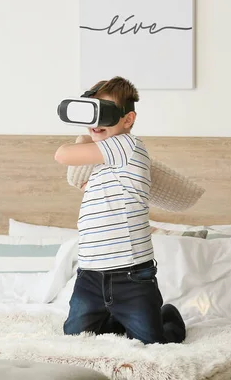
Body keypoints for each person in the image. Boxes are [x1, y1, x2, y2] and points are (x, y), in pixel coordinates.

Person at [54, 76, 186, 344]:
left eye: (106, 114)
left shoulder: (128, 145)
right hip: (89, 274)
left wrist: (82, 137)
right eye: (92, 113)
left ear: (127, 120)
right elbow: (89, 186)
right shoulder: (104, 165)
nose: (97, 123)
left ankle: (167, 316)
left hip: (132, 276)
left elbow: (63, 155)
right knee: (73, 339)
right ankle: (113, 320)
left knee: (154, 343)